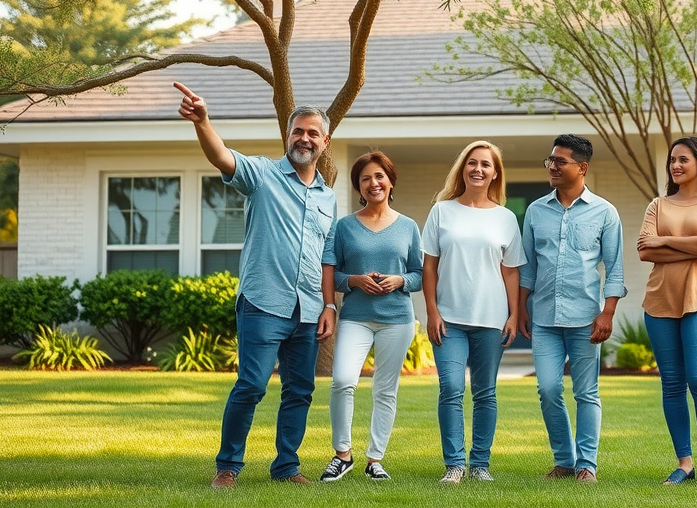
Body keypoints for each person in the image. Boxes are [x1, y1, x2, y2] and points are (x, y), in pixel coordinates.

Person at [174, 82, 338, 489]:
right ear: (287, 136)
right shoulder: (263, 174)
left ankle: (285, 467)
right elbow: (222, 157)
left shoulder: (328, 198)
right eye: (298, 131)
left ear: (325, 141)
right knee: (250, 386)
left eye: (312, 133)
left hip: (307, 309)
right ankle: (228, 466)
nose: (304, 138)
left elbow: (326, 258)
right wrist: (203, 121)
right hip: (263, 302)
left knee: (299, 392)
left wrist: (330, 307)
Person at [517, 134, 626, 484]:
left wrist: (607, 313)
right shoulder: (535, 211)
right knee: (548, 389)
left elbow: (615, 267)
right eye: (550, 160)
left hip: (586, 319)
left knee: (586, 392)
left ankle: (586, 466)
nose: (552, 166)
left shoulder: (605, 212)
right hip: (545, 317)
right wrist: (520, 309)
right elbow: (528, 268)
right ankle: (564, 459)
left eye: (560, 161)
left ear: (582, 167)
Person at [421, 140, 525, 484]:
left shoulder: (506, 218)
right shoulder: (442, 211)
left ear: (496, 174)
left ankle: (480, 464)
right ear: (462, 168)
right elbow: (430, 267)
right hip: (449, 319)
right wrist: (432, 311)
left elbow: (511, 271)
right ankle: (454, 464)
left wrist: (513, 315)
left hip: (491, 320)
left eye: (486, 165)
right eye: (472, 163)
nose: (478, 169)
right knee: (450, 387)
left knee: (485, 392)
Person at [319, 151, 423, 482]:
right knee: (343, 380)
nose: (373, 183)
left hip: (397, 318)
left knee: (385, 389)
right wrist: (353, 280)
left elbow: (420, 274)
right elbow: (330, 274)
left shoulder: (408, 226)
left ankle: (375, 458)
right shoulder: (344, 227)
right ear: (359, 188)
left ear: (390, 182)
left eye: (379, 176)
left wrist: (400, 280)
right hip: (356, 316)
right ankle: (342, 455)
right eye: (366, 179)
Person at [636, 136, 697, 488]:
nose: (675, 165)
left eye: (683, 160)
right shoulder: (658, 205)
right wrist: (687, 247)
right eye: (672, 160)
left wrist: (665, 241)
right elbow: (645, 251)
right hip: (660, 302)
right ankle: (685, 463)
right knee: (672, 384)